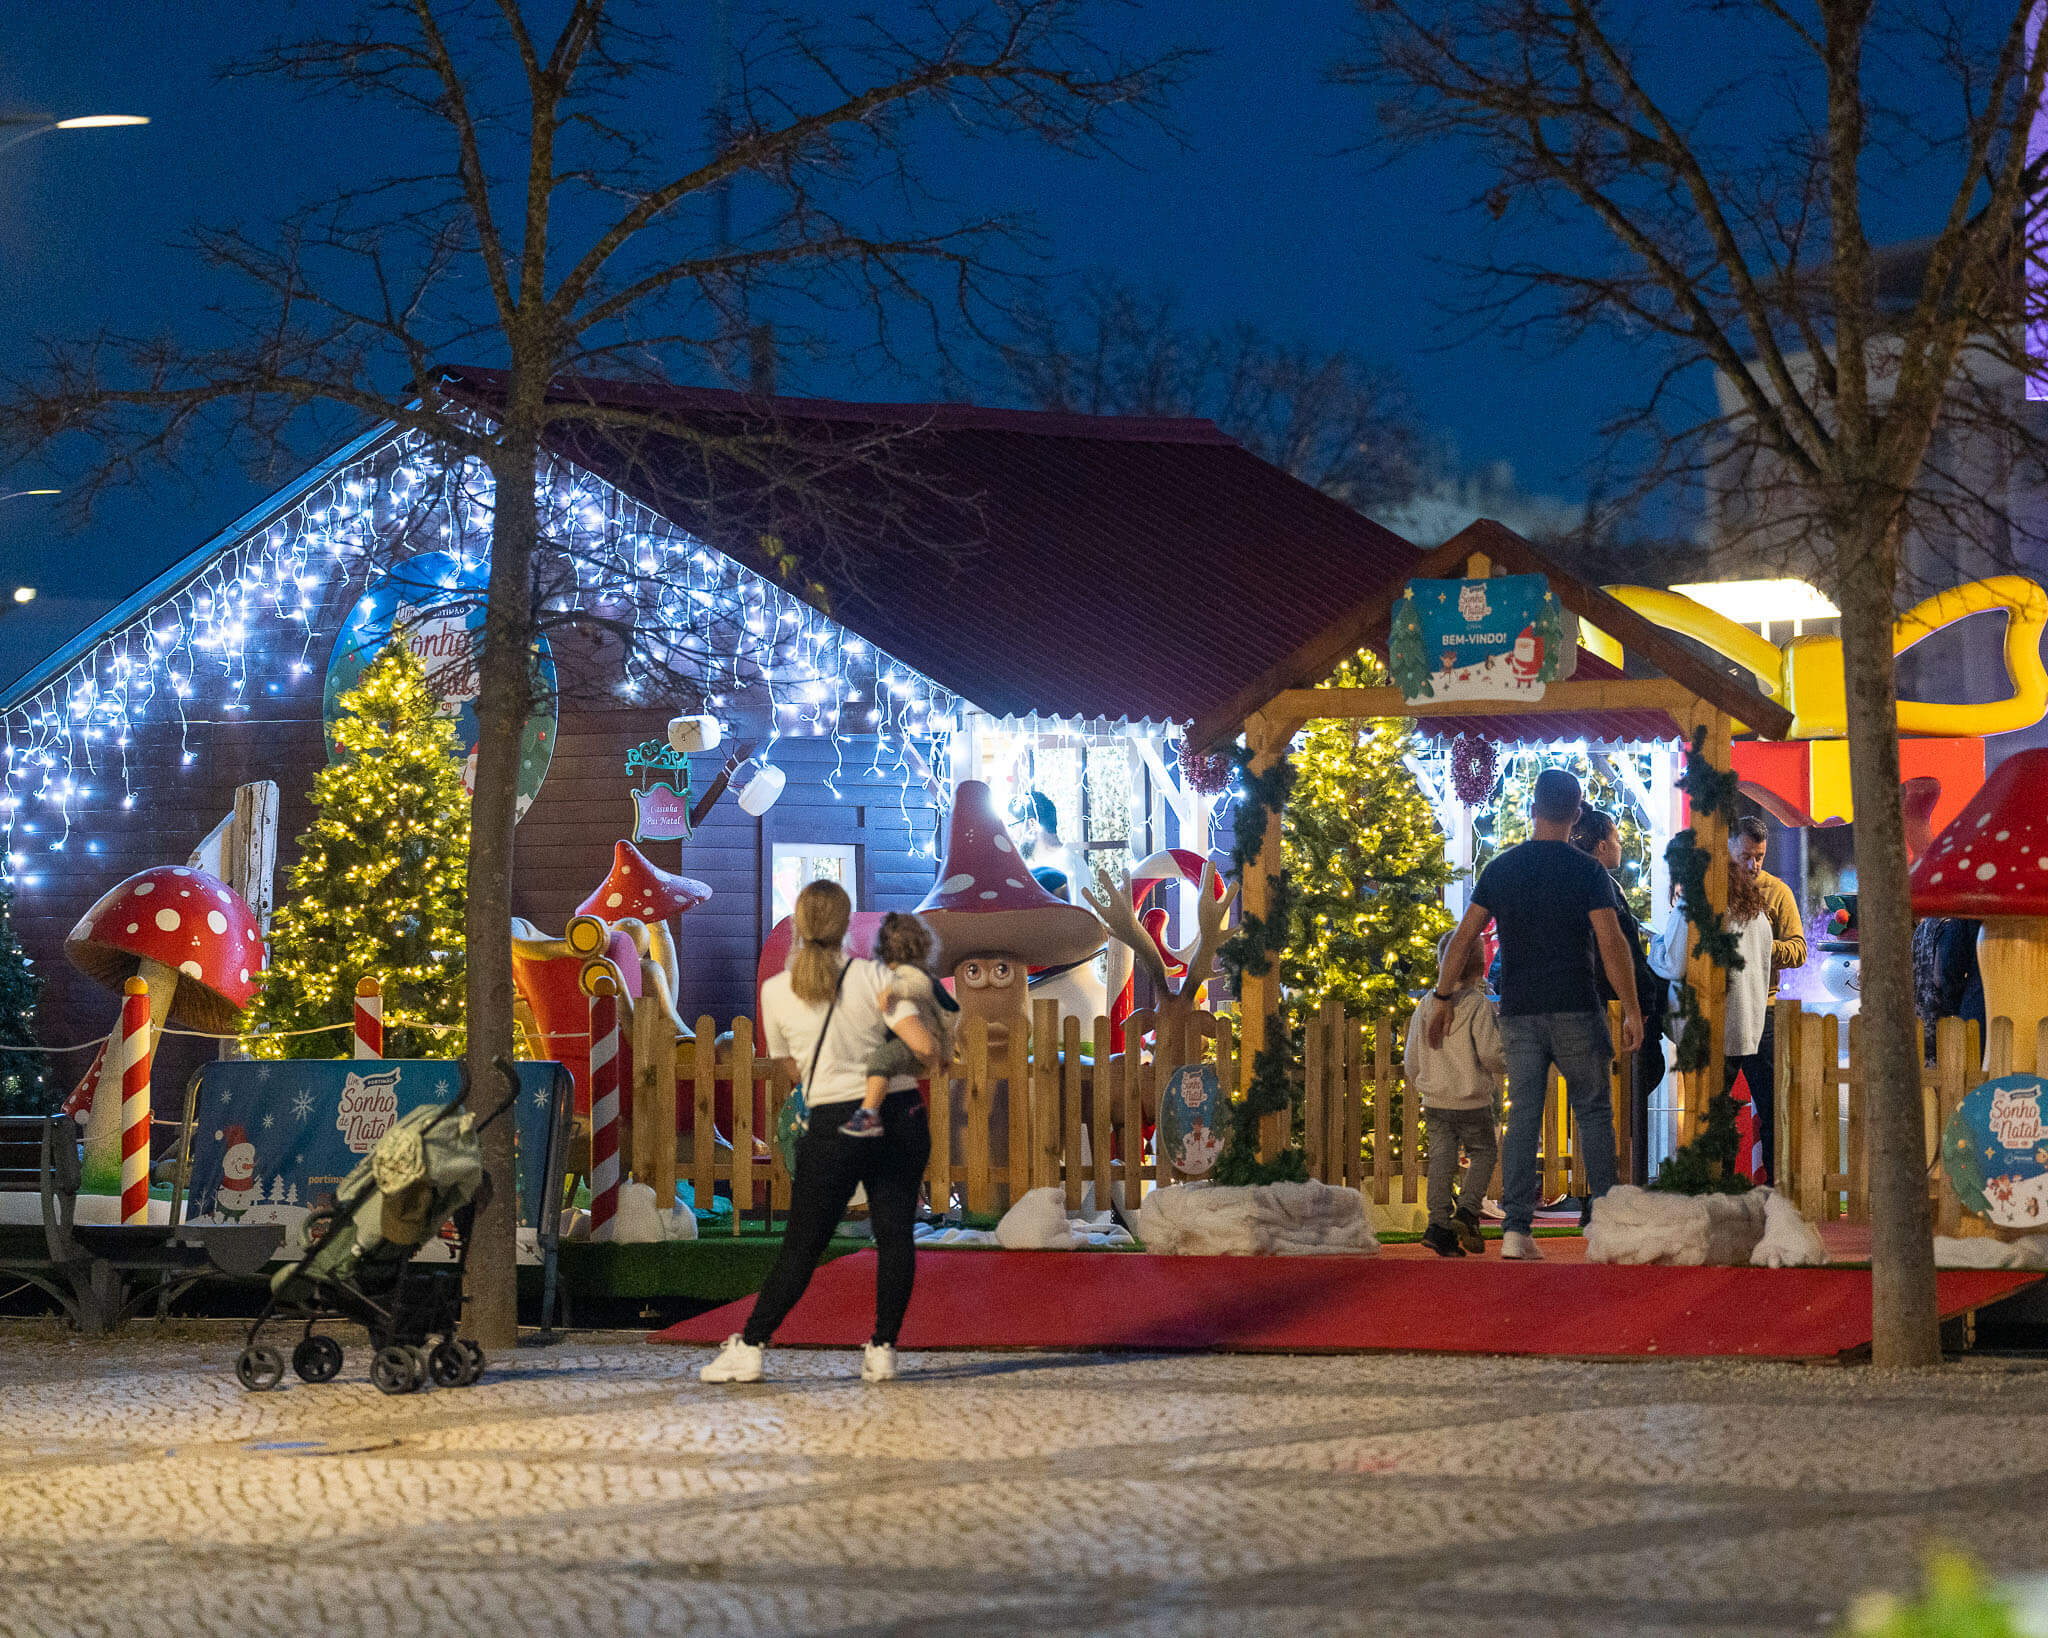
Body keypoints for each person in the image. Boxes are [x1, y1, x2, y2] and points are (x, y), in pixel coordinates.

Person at [701, 880, 939, 1386]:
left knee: (803, 1244)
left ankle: (751, 1346)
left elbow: (792, 1070)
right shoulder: (875, 975)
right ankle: (882, 1350)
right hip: (899, 1115)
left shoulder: (774, 992)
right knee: (895, 1234)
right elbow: (920, 1043)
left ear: (799, 923)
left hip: (834, 1124)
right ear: (848, 923)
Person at [1429, 768, 1643, 1262]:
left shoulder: (1502, 869)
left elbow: (1464, 937)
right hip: (1575, 1005)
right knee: (1593, 1112)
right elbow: (1611, 943)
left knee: (1524, 1115)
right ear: (1575, 812)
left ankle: (1516, 1231)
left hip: (1520, 1010)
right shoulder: (1588, 872)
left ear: (1532, 809)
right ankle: (1604, 1224)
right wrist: (1632, 1010)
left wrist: (1442, 1000)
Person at [1650, 857, 1775, 1172]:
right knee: (1747, 1109)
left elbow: (1674, 965)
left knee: (1710, 1112)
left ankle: (1716, 1181)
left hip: (1704, 1026)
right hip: (1746, 1024)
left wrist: (1657, 945)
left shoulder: (1692, 908)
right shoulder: (1757, 913)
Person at [1568, 806, 1667, 1187]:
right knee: (1634, 1077)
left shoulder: (1577, 881)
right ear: (1601, 844)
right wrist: (1641, 1000)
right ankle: (1617, 1175)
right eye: (1618, 839)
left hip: (1589, 1004)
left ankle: (1606, 1174)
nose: (1621, 846)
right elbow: (1617, 946)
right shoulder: (1601, 887)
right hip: (1610, 1006)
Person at [1406, 929, 1504, 1258]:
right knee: (1484, 1153)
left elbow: (1411, 1061)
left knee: (1442, 1162)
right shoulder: (1477, 1006)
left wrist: (1425, 1080)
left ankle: (1438, 1227)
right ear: (1480, 967)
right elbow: (1490, 1054)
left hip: (1436, 1101)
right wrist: (1505, 1064)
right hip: (1472, 1099)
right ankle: (1467, 1210)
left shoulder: (1424, 1006)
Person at [1727, 814, 1807, 1177]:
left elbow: (1799, 949)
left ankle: (1778, 1186)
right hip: (1725, 1010)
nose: (1753, 864)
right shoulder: (1715, 887)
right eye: (1746, 855)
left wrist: (1759, 947)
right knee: (1716, 1108)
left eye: (1760, 856)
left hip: (1766, 1010)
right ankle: (1717, 1183)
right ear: (1729, 846)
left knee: (1774, 1107)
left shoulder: (1778, 891)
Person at [842, 911, 958, 1139]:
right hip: (927, 1040)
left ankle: (868, 1112)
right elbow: (950, 1014)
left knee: (880, 1059)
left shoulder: (907, 975)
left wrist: (893, 990)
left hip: (918, 1041)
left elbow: (920, 986)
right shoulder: (915, 973)